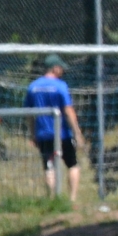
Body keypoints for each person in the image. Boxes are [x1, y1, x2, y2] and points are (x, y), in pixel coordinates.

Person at [27, 53, 86, 202]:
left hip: (43, 134)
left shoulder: (33, 87)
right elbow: (68, 110)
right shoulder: (60, 86)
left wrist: (33, 134)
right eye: (61, 68)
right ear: (54, 68)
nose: (63, 71)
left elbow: (29, 114)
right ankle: (72, 200)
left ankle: (52, 200)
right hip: (63, 134)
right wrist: (77, 133)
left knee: (49, 168)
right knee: (73, 165)